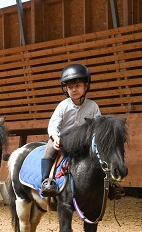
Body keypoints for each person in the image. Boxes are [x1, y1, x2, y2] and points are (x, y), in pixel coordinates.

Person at [40, 63, 101, 197]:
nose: (74, 90)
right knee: (49, 151)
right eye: (70, 87)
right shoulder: (63, 106)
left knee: (102, 152)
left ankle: (108, 181)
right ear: (65, 89)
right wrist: (55, 138)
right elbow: (53, 124)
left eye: (78, 86)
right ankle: (46, 180)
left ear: (86, 86)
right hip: (64, 140)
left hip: (84, 141)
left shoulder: (93, 106)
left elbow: (98, 125)